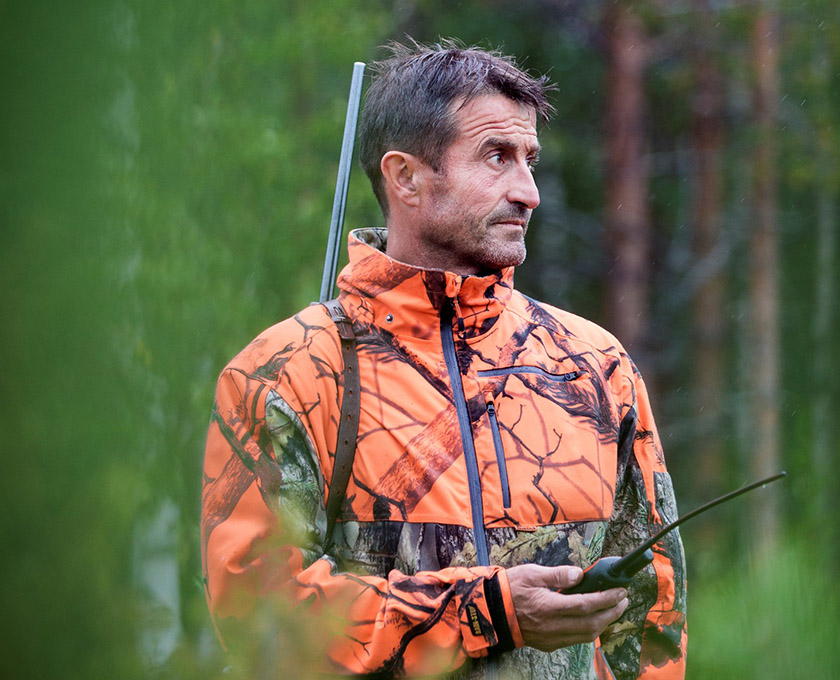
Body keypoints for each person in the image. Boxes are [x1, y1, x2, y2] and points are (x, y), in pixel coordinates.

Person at [201, 40, 686, 679]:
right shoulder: (288, 373)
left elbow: (651, 623)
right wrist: (484, 612)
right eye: (497, 157)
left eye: (530, 160)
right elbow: (260, 619)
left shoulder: (595, 366)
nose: (530, 192)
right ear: (405, 177)